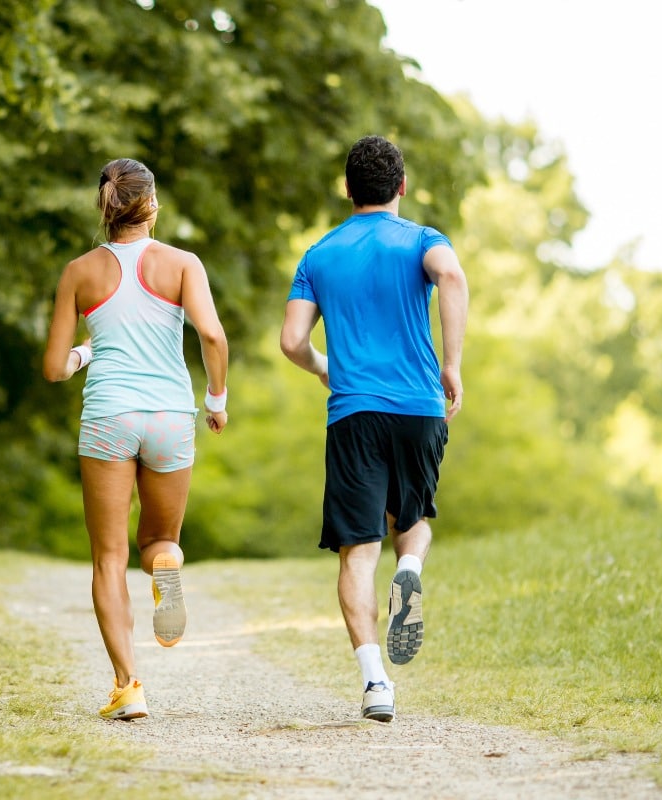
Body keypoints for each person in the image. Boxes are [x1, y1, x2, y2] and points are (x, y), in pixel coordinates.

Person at [278, 135, 467, 723]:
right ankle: (408, 572)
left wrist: (325, 367)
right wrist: (452, 364)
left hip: (354, 411)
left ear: (348, 189)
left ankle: (375, 683)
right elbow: (452, 278)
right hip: (419, 407)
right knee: (412, 525)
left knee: (358, 554)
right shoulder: (422, 240)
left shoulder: (320, 254)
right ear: (401, 188)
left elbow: (291, 341)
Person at [44, 157, 230, 721]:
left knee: (108, 557)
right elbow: (213, 336)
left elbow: (54, 367)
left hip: (109, 415)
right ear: (151, 205)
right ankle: (168, 563)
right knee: (157, 542)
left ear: (105, 206)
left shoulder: (80, 272)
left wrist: (87, 351)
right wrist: (216, 401)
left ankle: (128, 688)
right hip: (170, 415)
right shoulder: (182, 264)